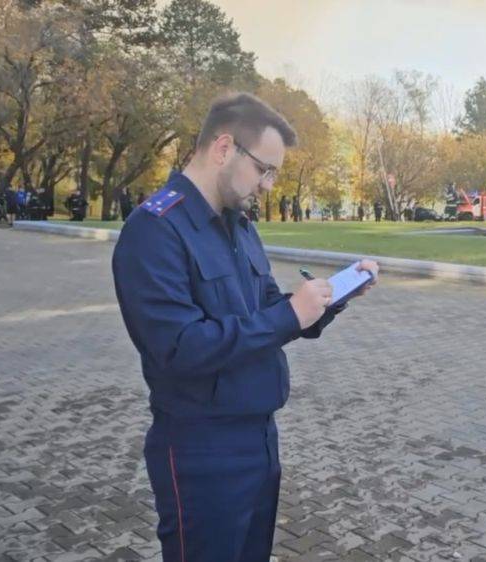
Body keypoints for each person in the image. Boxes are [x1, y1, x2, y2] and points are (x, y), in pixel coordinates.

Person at [112, 92, 379, 561]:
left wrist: (328, 300)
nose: (269, 185)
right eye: (263, 169)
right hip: (201, 449)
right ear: (223, 149)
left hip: (258, 438)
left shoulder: (239, 226)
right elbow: (179, 348)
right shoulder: (155, 230)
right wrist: (287, 314)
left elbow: (266, 310)